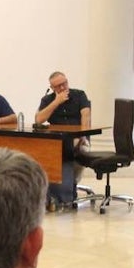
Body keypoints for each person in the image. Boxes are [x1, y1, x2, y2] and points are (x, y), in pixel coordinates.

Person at [36, 71, 91, 207]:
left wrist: (82, 134)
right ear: (52, 88)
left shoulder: (79, 95)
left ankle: (70, 187)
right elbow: (39, 119)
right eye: (58, 86)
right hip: (57, 141)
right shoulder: (48, 100)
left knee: (79, 151)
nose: (62, 88)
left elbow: (86, 115)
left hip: (79, 138)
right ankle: (58, 193)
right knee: (49, 155)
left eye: (64, 84)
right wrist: (56, 102)